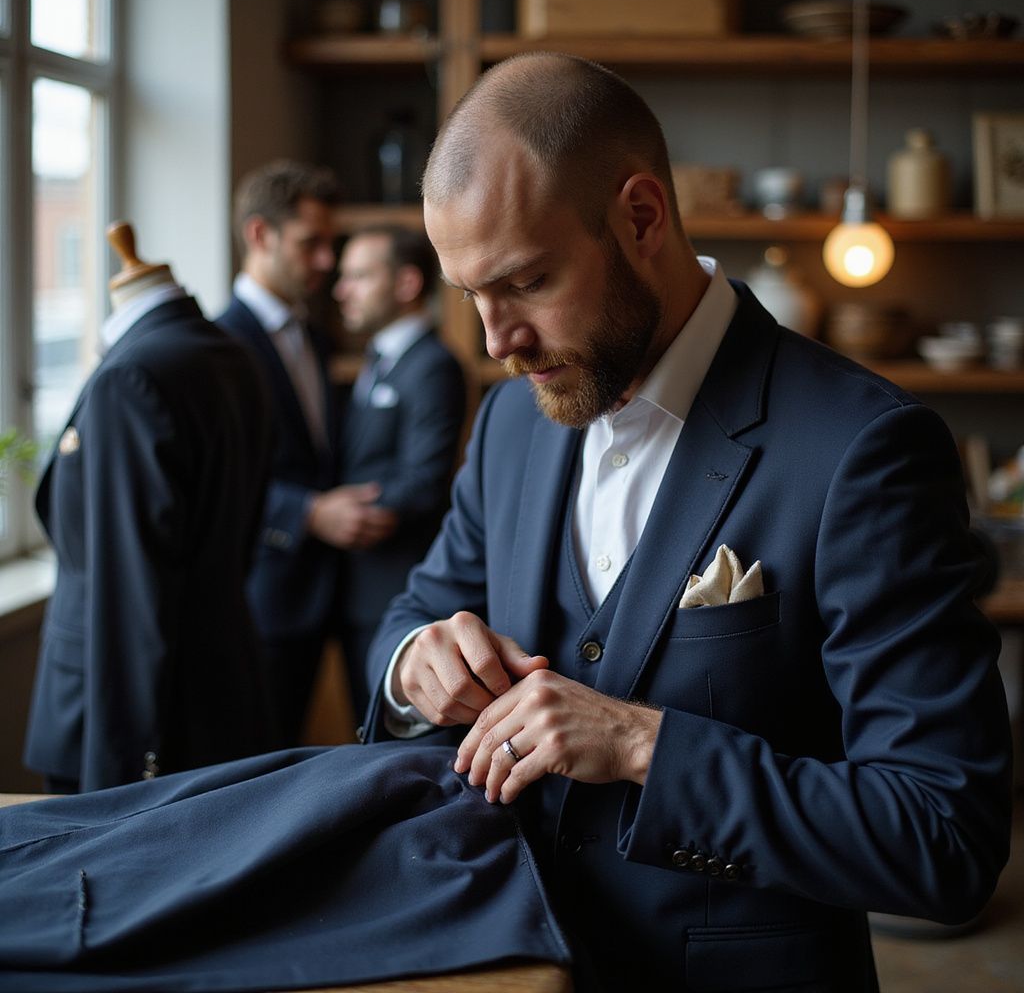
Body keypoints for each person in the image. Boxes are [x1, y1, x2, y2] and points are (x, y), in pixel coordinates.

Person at [363, 54, 1013, 990]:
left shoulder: (865, 450)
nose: (496, 340)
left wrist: (642, 746)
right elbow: (415, 611)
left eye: (527, 282)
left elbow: (944, 840)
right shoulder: (509, 422)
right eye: (472, 295)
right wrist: (414, 659)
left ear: (640, 217)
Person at [23, 223, 277, 794]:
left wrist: (120, 771)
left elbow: (127, 592)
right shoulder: (230, 355)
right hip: (221, 689)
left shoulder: (132, 377)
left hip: (122, 717)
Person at [219, 161, 398, 745]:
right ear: (259, 235)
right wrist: (309, 513)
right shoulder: (219, 346)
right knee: (257, 764)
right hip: (264, 594)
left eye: (330, 243)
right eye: (310, 243)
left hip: (336, 587)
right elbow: (216, 480)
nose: (326, 260)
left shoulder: (315, 337)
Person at [333, 225, 466, 718]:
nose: (341, 290)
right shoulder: (378, 358)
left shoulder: (434, 365)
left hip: (392, 582)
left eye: (360, 276)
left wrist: (340, 512)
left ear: (407, 284)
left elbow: (425, 480)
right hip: (352, 584)